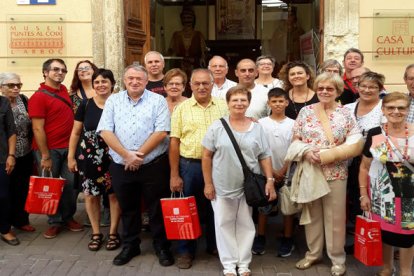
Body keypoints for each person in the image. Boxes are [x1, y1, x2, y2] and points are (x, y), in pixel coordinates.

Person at [96, 65, 173, 267]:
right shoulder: (113, 100)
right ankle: (131, 245)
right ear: (124, 80)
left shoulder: (158, 100)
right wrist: (126, 155)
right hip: (121, 166)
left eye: (139, 78)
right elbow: (105, 131)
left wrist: (137, 155)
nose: (134, 82)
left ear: (147, 81)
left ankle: (162, 246)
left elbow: (162, 131)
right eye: (130, 78)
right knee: (128, 208)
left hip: (153, 165)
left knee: (156, 208)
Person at [202, 85, 277, 276]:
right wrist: (208, 183)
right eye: (235, 100)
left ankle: (243, 263)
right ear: (227, 103)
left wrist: (269, 180)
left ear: (248, 103)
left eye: (243, 100)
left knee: (245, 224)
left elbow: (265, 155)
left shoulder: (257, 128)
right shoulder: (217, 126)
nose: (239, 103)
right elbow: (206, 156)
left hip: (249, 187)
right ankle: (228, 264)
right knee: (224, 224)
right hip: (222, 184)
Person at [292, 72, 361, 276]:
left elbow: (355, 141)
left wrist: (330, 155)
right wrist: (306, 151)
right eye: (321, 88)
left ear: (338, 91)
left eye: (329, 88)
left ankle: (337, 259)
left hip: (336, 172)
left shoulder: (346, 113)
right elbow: (295, 138)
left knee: (335, 218)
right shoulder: (305, 112)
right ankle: (313, 254)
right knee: (312, 215)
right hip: (310, 170)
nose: (324, 91)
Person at [169, 68, 228, 269]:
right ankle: (185, 251)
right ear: (190, 85)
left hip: (218, 165)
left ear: (212, 84)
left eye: (206, 83)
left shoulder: (224, 107)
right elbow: (174, 143)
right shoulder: (181, 109)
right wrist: (174, 174)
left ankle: (215, 245)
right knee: (187, 209)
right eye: (197, 83)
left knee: (217, 208)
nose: (201, 87)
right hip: (189, 166)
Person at [359, 92, 414, 276]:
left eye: (401, 107)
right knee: (384, 232)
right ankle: (386, 268)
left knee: (408, 236)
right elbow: (364, 167)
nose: (396, 111)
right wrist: (363, 194)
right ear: (383, 109)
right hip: (380, 194)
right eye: (390, 107)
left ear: (407, 110)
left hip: (409, 196)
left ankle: (406, 271)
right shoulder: (375, 133)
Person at [28, 58, 83, 239]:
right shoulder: (38, 97)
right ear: (45, 72)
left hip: (69, 148)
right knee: (49, 186)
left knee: (71, 185)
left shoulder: (65, 92)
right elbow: (37, 128)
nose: (60, 73)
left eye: (63, 70)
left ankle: (68, 217)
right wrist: (45, 155)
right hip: (48, 150)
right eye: (56, 70)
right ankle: (54, 222)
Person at [68, 69, 121, 251]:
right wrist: (71, 157)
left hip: (114, 155)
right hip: (88, 156)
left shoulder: (120, 103)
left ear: (112, 83)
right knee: (91, 196)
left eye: (105, 81)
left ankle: (113, 232)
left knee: (114, 195)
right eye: (97, 82)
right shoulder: (85, 104)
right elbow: (76, 132)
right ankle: (96, 233)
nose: (101, 85)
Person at [276, 60, 318, 257]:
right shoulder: (284, 97)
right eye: (292, 74)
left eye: (300, 73)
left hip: (313, 153)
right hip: (291, 153)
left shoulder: (318, 97)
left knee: (310, 197)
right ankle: (289, 236)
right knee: (292, 194)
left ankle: (312, 241)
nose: (296, 77)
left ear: (308, 75)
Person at [252, 88, 294, 256]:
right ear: (268, 103)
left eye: (280, 101)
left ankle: (288, 237)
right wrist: (271, 171)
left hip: (287, 172)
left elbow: (294, 149)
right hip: (266, 172)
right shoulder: (261, 123)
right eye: (274, 101)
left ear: (286, 102)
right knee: (264, 206)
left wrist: (283, 170)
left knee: (288, 207)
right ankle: (260, 236)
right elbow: (258, 149)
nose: (277, 104)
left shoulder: (293, 123)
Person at [345, 71, 386, 223]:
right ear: (357, 87)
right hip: (350, 162)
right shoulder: (348, 108)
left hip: (373, 163)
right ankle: (360, 242)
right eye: (363, 86)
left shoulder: (384, 108)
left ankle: (376, 242)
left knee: (373, 203)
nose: (367, 90)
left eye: (372, 87)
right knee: (355, 203)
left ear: (380, 89)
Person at [0, 73, 35, 232]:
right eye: (11, 85)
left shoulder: (24, 100)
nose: (16, 88)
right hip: (5, 154)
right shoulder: (1, 104)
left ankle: (21, 220)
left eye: (18, 85)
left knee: (22, 188)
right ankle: (6, 225)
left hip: (25, 151)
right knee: (6, 191)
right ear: (2, 88)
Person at [0, 95, 19, 246]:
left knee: (3, 196)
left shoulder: (3, 102)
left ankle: (5, 229)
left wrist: (11, 155)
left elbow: (11, 131)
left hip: (1, 157)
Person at [168, 5, 206, 77]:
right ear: (181, 19)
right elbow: (170, 52)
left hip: (195, 67)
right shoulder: (176, 35)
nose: (187, 20)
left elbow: (204, 53)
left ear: (193, 19)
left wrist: (199, 60)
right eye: (184, 18)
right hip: (180, 67)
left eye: (189, 18)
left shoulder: (198, 34)